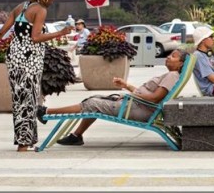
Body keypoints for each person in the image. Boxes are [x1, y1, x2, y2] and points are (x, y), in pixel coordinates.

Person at [0, 0, 72, 152]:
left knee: (20, 100)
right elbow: (35, 37)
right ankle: (23, 144)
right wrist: (61, 32)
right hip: (29, 60)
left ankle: (26, 141)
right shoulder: (40, 10)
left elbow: (0, 32)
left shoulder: (20, 7)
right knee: (28, 100)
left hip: (14, 59)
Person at [37, 49, 188, 146]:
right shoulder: (171, 75)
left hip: (137, 109)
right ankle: (76, 136)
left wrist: (132, 97)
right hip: (136, 105)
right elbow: (148, 95)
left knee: (92, 104)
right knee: (95, 101)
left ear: (180, 64)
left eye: (173, 56)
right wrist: (126, 85)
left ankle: (46, 112)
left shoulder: (171, 75)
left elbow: (155, 98)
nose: (168, 57)